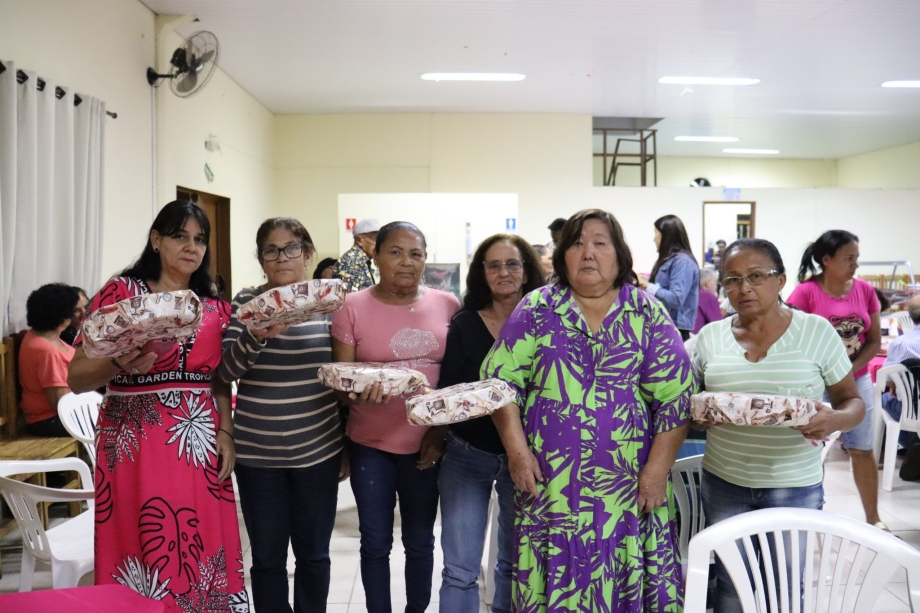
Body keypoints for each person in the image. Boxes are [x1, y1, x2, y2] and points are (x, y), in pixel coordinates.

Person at [482, 209, 693, 611]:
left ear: (620, 254)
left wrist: (656, 472)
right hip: (551, 484)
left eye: (600, 242)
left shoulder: (646, 312)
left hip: (627, 487)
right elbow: (501, 385)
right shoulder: (537, 308)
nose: (588, 253)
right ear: (562, 256)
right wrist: (517, 453)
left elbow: (674, 397)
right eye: (577, 243)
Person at [68, 200, 249, 612]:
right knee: (141, 540)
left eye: (199, 239)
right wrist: (118, 361)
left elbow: (219, 380)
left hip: (198, 441)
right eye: (180, 236)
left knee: (200, 542)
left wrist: (226, 432)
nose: (191, 246)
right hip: (133, 439)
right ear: (156, 240)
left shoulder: (214, 306)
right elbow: (75, 378)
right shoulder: (122, 294)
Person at [690, 238, 864, 613]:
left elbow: (854, 402)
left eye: (756, 276)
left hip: (793, 486)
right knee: (731, 584)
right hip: (725, 482)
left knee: (783, 588)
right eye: (732, 279)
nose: (744, 288)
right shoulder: (710, 339)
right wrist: (700, 415)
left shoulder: (815, 333)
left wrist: (833, 420)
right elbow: (688, 407)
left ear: (781, 280)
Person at [330, 221, 460, 613]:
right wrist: (356, 392)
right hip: (371, 445)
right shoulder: (351, 306)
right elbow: (339, 383)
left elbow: (458, 379)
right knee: (375, 541)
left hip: (426, 445)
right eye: (395, 252)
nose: (406, 262)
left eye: (416, 253)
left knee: (421, 541)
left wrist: (439, 434)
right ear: (376, 254)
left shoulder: (448, 304)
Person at [218, 218, 345, 613]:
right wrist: (256, 334)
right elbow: (225, 373)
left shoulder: (331, 305)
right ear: (261, 259)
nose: (282, 257)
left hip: (318, 452)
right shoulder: (244, 305)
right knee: (268, 560)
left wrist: (349, 445)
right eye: (271, 250)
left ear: (307, 254)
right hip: (259, 457)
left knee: (314, 556)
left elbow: (346, 376)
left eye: (292, 248)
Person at [437, 234, 544, 613]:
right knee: (460, 569)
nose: (503, 272)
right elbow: (448, 388)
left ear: (527, 269)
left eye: (512, 264)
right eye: (493, 265)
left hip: (528, 460)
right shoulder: (465, 323)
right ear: (482, 273)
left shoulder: (547, 322)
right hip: (469, 455)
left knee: (515, 566)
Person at [786, 230, 885, 530]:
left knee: (862, 448)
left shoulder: (865, 290)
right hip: (816, 382)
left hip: (856, 380)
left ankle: (874, 519)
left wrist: (848, 369)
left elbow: (873, 340)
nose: (856, 264)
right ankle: (814, 519)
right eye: (849, 258)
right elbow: (791, 337)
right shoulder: (805, 293)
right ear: (826, 260)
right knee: (814, 451)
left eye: (857, 257)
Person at [19, 283, 80, 437]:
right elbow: (59, 403)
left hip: (60, 415)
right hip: (48, 420)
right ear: (63, 317)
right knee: (115, 423)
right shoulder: (47, 350)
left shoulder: (42, 336)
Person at [636, 214, 700, 340]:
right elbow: (662, 286)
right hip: (662, 325)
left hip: (675, 330)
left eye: (656, 234)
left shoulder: (683, 262)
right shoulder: (667, 260)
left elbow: (676, 298)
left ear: (666, 236)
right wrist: (642, 280)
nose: (654, 239)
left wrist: (646, 284)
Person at [879, 295, 920, 451]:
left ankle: (910, 446)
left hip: (914, 411)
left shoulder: (901, 343)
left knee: (883, 398)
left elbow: (887, 380)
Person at [333, 218, 380, 292]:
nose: (379, 244)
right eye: (375, 240)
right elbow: (350, 299)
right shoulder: (351, 262)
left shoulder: (360, 260)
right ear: (359, 240)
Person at [693, 268, 723, 334]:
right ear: (708, 283)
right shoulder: (707, 296)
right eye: (716, 283)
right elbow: (718, 324)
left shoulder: (693, 293)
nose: (716, 287)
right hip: (699, 339)